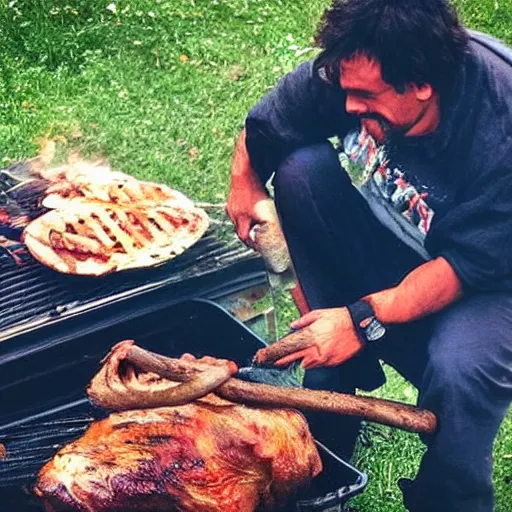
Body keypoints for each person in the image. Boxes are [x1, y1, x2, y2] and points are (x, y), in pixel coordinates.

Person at [226, 1, 512, 511]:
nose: (350, 105)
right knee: (300, 171)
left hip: (490, 282)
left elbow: (462, 269)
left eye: (364, 96)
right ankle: (333, 379)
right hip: (402, 243)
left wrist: (361, 321)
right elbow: (271, 123)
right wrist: (244, 179)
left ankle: (449, 498)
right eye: (344, 89)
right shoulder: (358, 67)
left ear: (421, 82)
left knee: (459, 370)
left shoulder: (500, 125)